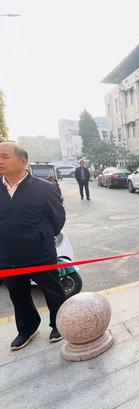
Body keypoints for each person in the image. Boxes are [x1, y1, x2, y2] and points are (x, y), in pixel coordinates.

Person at [0, 142, 66, 350]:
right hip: (8, 255)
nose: (0, 161)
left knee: (53, 290)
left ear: (23, 161)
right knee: (18, 294)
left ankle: (59, 323)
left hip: (40, 253)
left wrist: (42, 237)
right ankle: (27, 328)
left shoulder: (45, 188)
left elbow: (58, 218)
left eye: (4, 156)